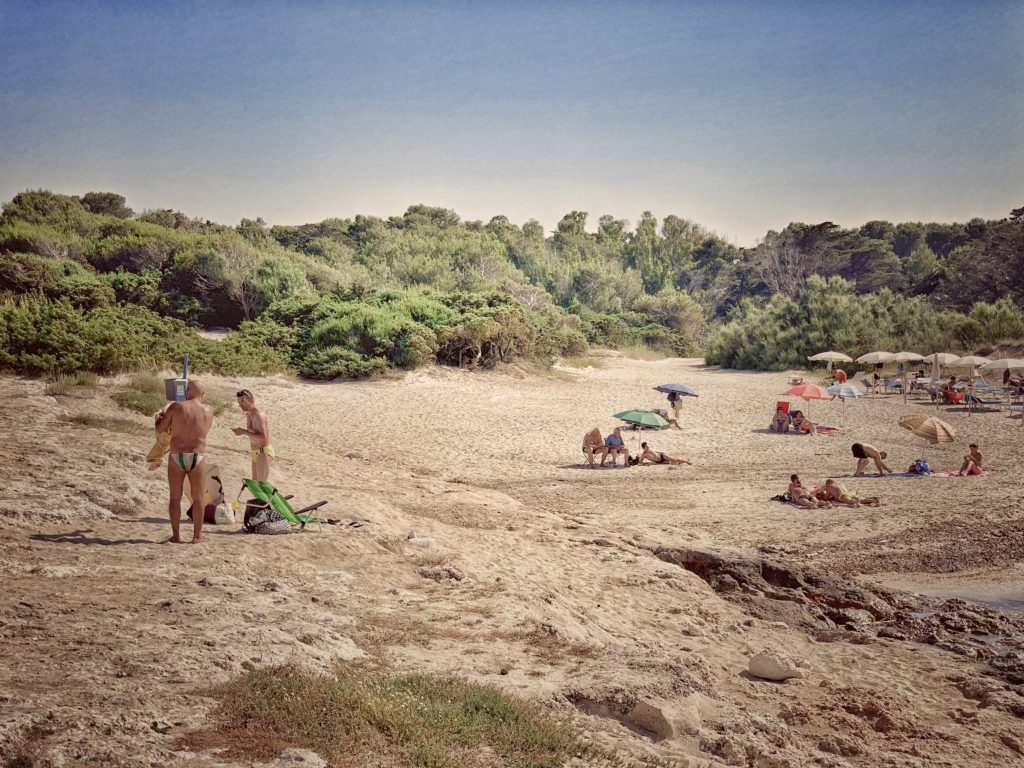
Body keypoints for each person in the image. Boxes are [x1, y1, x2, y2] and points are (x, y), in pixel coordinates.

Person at [155, 379, 214, 543]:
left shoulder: (176, 407)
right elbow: (202, 431)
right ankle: (197, 536)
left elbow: (160, 429)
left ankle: (176, 536)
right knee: (198, 497)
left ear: (187, 391)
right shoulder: (209, 411)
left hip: (177, 455)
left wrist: (160, 418)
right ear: (202, 394)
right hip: (197, 455)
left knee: (175, 497)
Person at [233, 389, 274, 481]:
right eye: (239, 402)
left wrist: (243, 432)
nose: (240, 404)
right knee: (255, 488)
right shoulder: (248, 415)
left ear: (251, 400)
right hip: (255, 453)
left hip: (263, 453)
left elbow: (263, 438)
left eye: (243, 401)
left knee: (262, 487)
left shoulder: (258, 415)